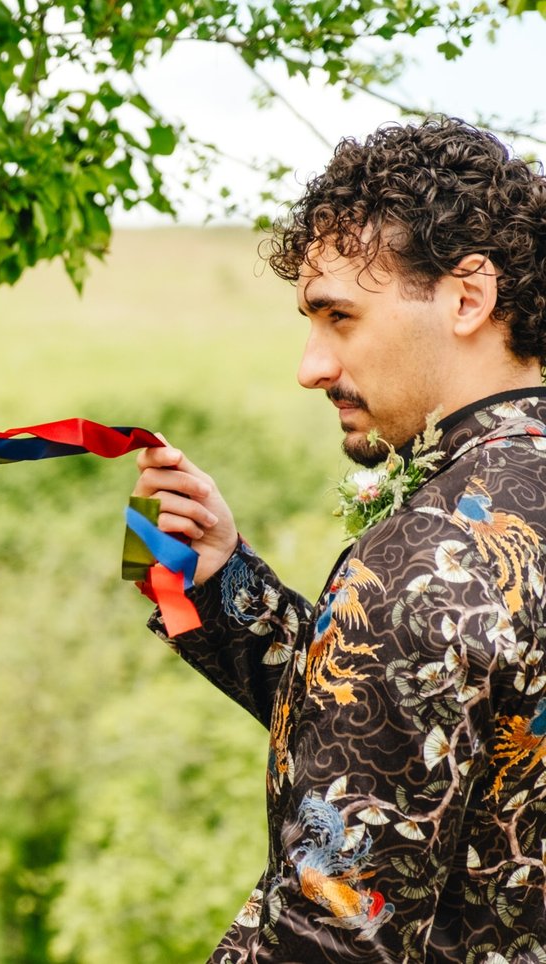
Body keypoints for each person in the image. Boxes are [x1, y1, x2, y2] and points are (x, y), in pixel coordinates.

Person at [132, 117, 546, 962]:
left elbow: (331, 929)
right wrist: (225, 587)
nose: (310, 366)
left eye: (339, 317)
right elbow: (441, 735)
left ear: (468, 296)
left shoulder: (425, 558)